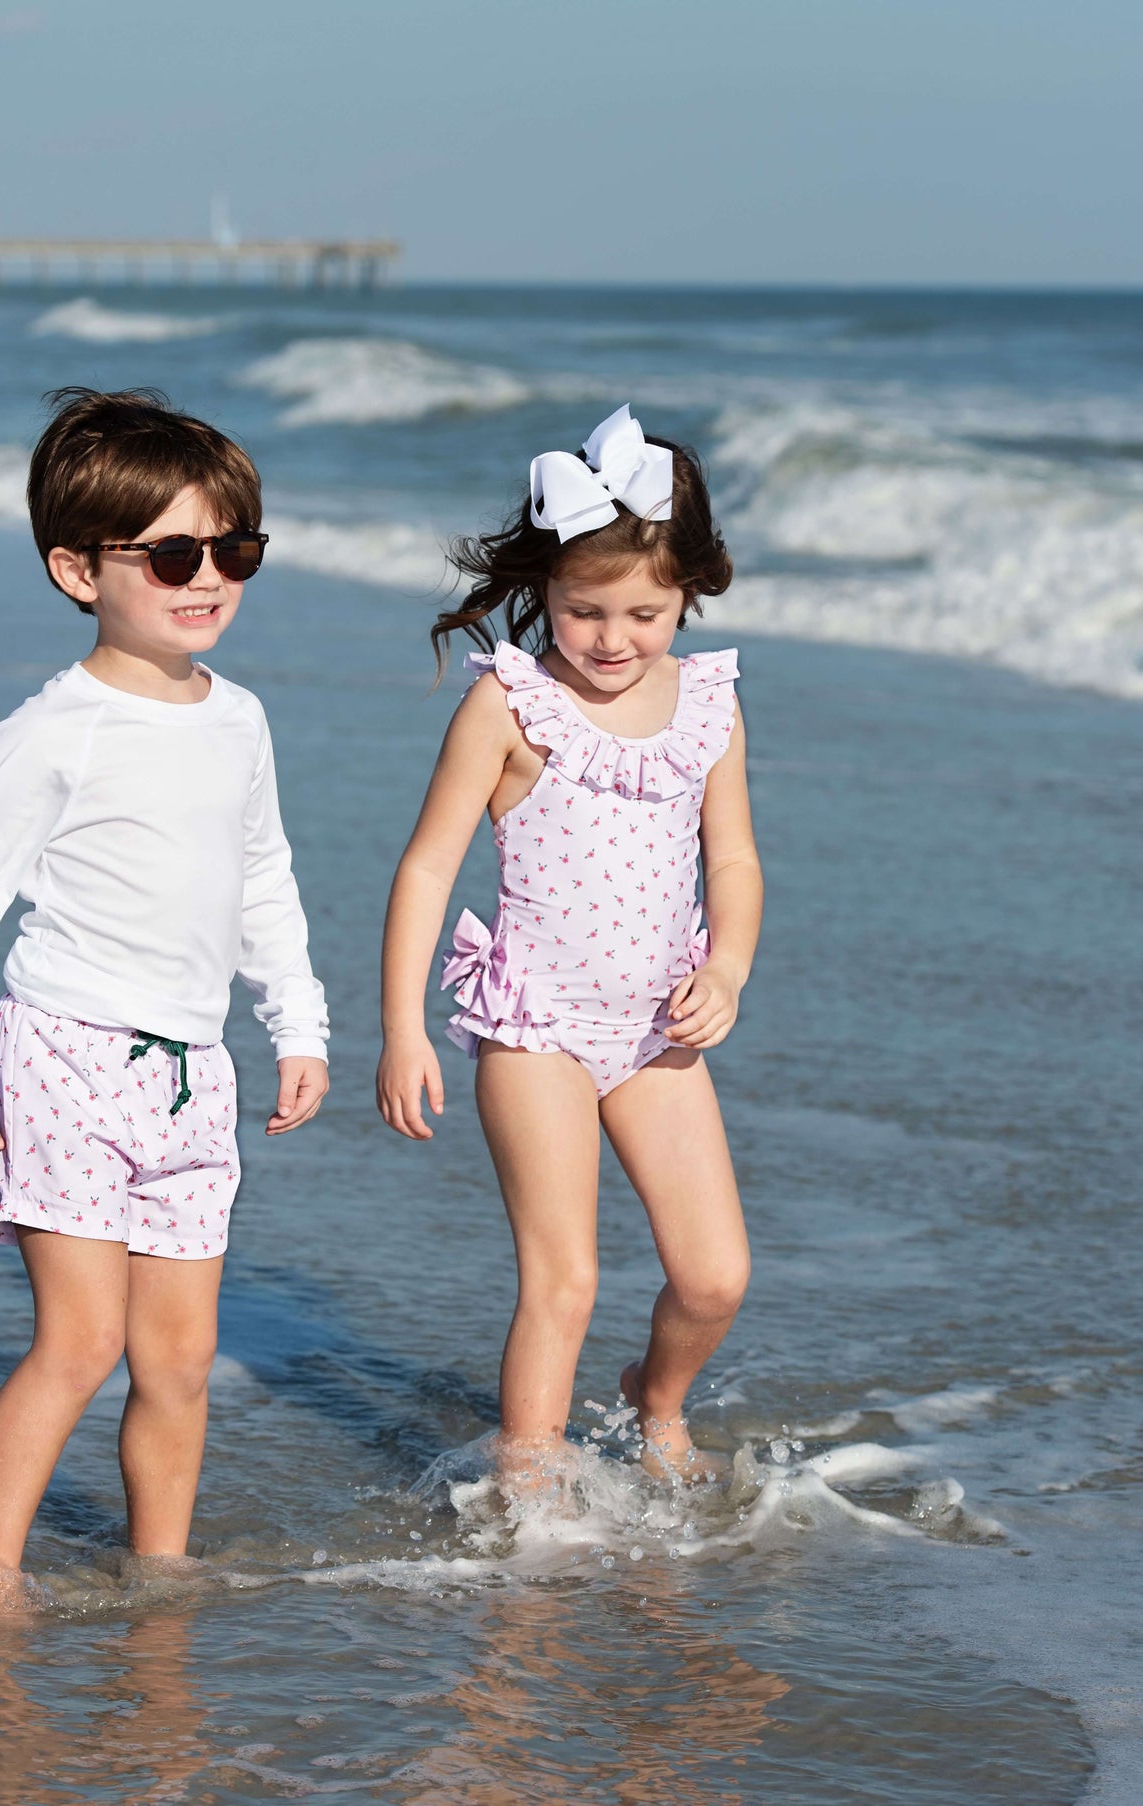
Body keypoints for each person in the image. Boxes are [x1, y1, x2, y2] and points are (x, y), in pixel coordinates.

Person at [0, 388, 328, 1603]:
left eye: (234, 549)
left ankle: (159, 1576)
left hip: (194, 1072)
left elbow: (261, 877)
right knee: (80, 1339)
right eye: (174, 554)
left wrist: (296, 1021)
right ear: (77, 570)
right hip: (65, 1054)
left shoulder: (238, 719)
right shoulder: (55, 730)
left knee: (181, 1357)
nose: (209, 579)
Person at [376, 404, 760, 1484]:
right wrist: (402, 1028)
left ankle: (657, 1400)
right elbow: (424, 866)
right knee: (565, 1280)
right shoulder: (511, 706)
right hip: (533, 1023)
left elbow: (731, 860)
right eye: (582, 609)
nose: (609, 637)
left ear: (688, 592)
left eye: (642, 612)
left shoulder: (708, 708)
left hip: (654, 1029)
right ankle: (529, 1480)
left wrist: (725, 964)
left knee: (714, 1275)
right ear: (540, 590)